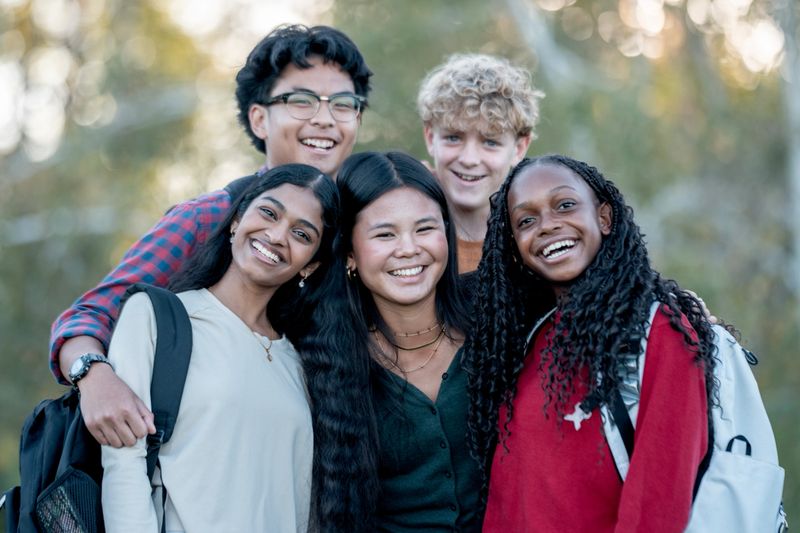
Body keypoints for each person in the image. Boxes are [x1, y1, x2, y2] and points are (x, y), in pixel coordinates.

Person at [48, 24, 372, 448]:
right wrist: (94, 376)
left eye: (343, 105)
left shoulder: (365, 226)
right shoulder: (211, 217)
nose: (325, 118)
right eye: (301, 100)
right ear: (260, 118)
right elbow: (87, 317)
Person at [464, 154, 720, 531]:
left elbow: (657, 505)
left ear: (604, 217)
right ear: (514, 244)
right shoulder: (528, 338)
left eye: (565, 205)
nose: (548, 226)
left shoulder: (659, 329)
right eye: (526, 220)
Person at [101, 164, 339, 531]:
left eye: (302, 234)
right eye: (269, 213)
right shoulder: (158, 317)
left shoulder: (304, 361)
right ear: (236, 219)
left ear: (311, 265)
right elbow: (124, 467)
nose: (277, 236)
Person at [300, 150, 480, 531]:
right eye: (385, 234)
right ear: (349, 252)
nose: (409, 248)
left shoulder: (493, 322)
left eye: (425, 228)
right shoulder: (323, 358)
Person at [417, 53, 544, 272]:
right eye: (453, 138)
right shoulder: (401, 217)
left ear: (519, 148)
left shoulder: (537, 235)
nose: (469, 160)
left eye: (491, 142)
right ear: (430, 138)